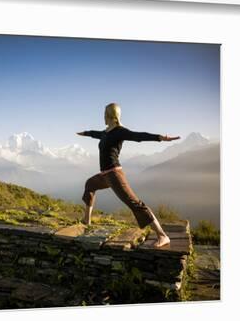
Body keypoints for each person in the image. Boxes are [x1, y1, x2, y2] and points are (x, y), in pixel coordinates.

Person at [77, 103, 180, 248]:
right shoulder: (106, 132)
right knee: (90, 184)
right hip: (105, 175)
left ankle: (163, 235)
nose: (103, 117)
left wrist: (160, 137)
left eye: (105, 115)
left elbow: (138, 136)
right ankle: (86, 221)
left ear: (112, 116)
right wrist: (85, 133)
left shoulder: (120, 131)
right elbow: (96, 134)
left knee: (134, 203)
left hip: (114, 175)